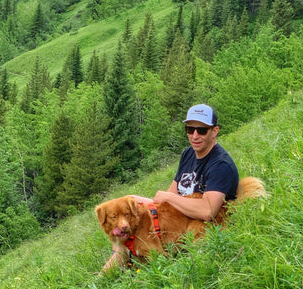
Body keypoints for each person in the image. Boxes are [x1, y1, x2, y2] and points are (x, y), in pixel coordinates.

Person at [99, 103, 238, 273]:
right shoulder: (189, 154)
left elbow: (207, 211)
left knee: (137, 236)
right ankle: (101, 280)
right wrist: (140, 205)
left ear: (214, 131)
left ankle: (123, 269)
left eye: (202, 130)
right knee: (129, 209)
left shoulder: (220, 165)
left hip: (200, 226)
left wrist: (167, 198)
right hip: (177, 218)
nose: (195, 135)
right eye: (190, 129)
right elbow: (168, 198)